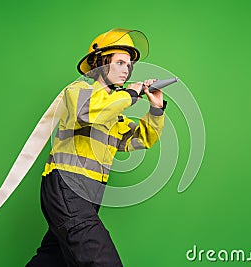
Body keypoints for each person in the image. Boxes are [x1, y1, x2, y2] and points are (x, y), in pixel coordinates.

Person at [26, 28, 166, 267]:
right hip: (68, 186)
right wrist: (131, 93)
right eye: (120, 62)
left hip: (90, 194)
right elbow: (89, 112)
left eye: (129, 64)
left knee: (52, 259)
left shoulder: (115, 115)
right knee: (102, 261)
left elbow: (141, 139)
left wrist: (156, 109)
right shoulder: (78, 92)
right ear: (101, 64)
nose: (127, 69)